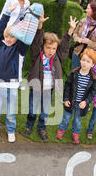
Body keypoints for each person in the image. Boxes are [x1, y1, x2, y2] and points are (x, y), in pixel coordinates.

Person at [25, 14, 77, 142]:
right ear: (43, 47)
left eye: (53, 48)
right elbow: (37, 41)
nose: (51, 50)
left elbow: (64, 46)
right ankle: (29, 125)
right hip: (36, 87)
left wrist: (70, 31)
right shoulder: (37, 55)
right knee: (32, 110)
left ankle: (41, 127)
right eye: (48, 47)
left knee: (44, 112)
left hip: (49, 89)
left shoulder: (58, 57)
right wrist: (40, 26)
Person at [0, 3, 30, 143]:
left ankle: (11, 131)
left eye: (12, 37)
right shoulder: (0, 45)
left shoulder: (20, 50)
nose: (9, 39)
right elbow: (1, 28)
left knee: (10, 113)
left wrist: (26, 18)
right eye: (7, 36)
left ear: (18, 38)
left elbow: (26, 37)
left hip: (11, 86)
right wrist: (7, 13)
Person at [56, 48, 96, 145]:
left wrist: (86, 101)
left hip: (81, 104)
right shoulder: (74, 73)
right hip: (71, 101)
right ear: (80, 60)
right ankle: (62, 129)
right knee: (66, 117)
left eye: (88, 61)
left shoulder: (93, 78)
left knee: (77, 120)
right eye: (83, 60)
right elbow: (67, 86)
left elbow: (93, 92)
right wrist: (66, 99)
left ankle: (75, 133)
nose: (84, 63)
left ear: (92, 64)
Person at [0, 0, 33, 88]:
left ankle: (18, 80)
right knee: (6, 55)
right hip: (9, 31)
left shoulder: (27, 2)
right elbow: (3, 15)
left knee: (20, 57)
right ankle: (2, 77)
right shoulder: (10, 0)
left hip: (20, 33)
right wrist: (3, 32)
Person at [72, 1, 96, 70]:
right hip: (77, 54)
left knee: (88, 80)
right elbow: (74, 34)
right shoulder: (83, 21)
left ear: (94, 11)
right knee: (74, 76)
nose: (86, 10)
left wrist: (89, 43)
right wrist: (78, 39)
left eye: (88, 8)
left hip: (92, 59)